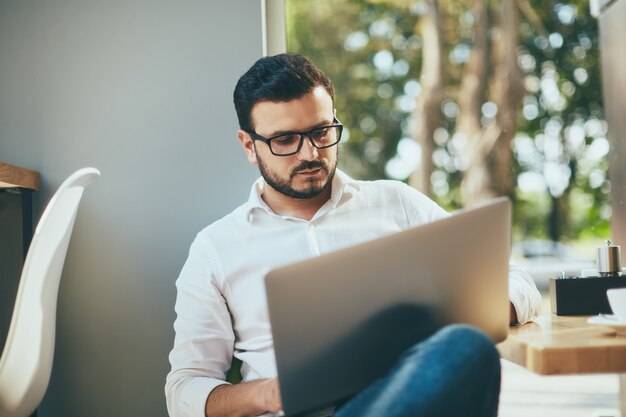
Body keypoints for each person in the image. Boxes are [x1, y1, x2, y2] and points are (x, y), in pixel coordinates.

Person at [165, 53, 542, 417]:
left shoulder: (397, 203)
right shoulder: (215, 248)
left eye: (320, 132)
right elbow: (185, 390)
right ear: (250, 146)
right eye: (284, 141)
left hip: (405, 392)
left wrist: (470, 312)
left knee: (466, 346)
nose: (310, 153)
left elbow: (517, 282)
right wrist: (272, 392)